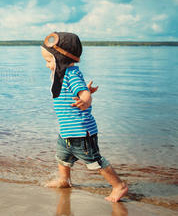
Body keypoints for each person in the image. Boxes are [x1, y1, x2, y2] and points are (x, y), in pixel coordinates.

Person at [40, 32, 128, 203]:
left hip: (81, 132)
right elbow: (78, 89)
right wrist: (82, 93)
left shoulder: (71, 74)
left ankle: (119, 186)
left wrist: (85, 99)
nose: (47, 65)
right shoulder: (64, 74)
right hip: (67, 131)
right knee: (62, 158)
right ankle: (64, 181)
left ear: (61, 59)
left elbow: (84, 93)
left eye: (49, 61)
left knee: (95, 161)